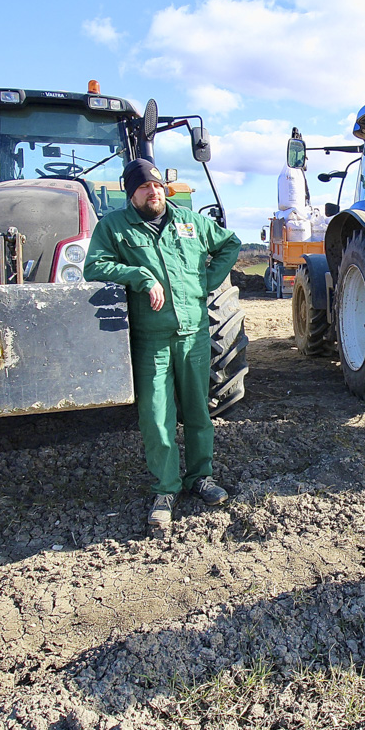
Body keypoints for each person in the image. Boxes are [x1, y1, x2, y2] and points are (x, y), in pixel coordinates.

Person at [84, 159, 242, 534]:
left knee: (199, 412)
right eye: (143, 188)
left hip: (194, 336)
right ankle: (165, 490)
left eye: (156, 187)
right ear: (131, 193)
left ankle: (200, 478)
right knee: (157, 419)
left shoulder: (189, 222)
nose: (153, 193)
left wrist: (208, 281)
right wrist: (137, 276)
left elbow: (230, 243)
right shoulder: (114, 228)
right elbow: (94, 266)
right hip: (151, 339)